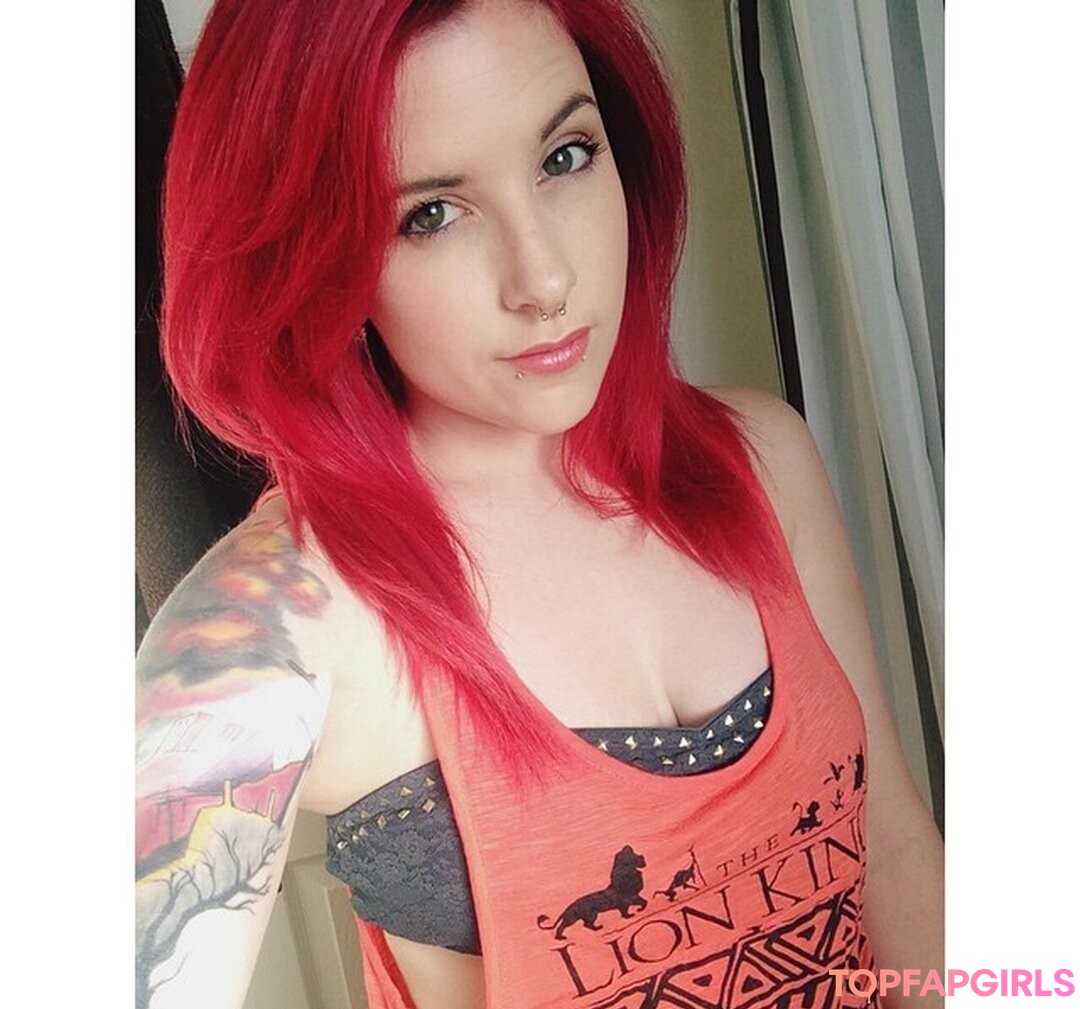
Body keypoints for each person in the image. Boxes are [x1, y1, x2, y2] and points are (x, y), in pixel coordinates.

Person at [135, 0, 944, 1007]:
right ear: (319, 251)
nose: (546, 277)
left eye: (565, 156)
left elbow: (892, 852)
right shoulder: (281, 624)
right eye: (431, 215)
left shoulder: (760, 460)